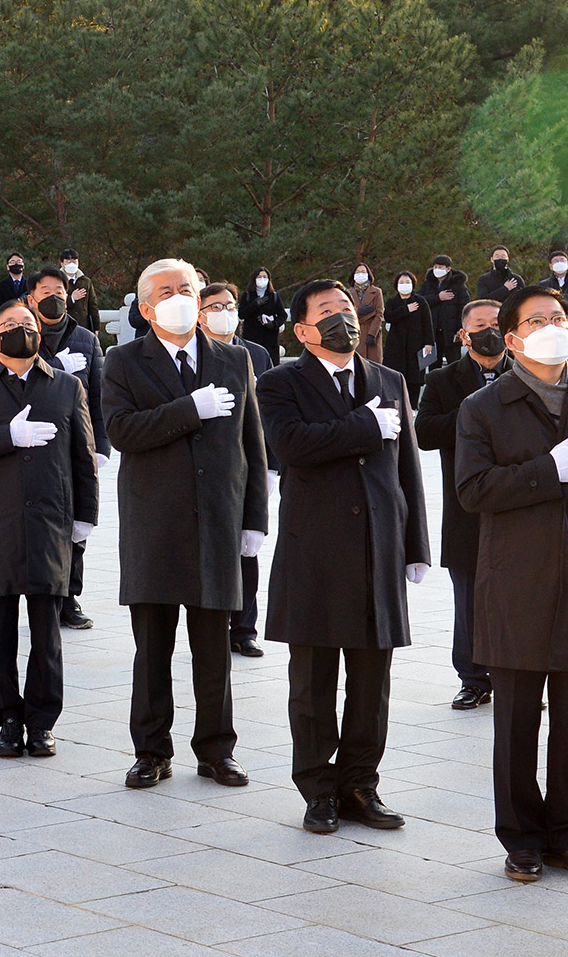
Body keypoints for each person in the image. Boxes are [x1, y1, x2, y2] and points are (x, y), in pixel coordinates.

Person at [454, 284, 568, 884]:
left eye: (559, 317)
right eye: (538, 320)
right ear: (512, 338)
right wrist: (547, 474)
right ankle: (521, 836)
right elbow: (473, 491)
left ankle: (565, 832)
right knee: (517, 718)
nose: (553, 326)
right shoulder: (484, 407)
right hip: (515, 581)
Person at [258, 279, 429, 834]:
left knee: (371, 680)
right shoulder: (280, 383)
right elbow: (291, 447)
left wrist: (416, 544)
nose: (343, 319)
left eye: (347, 309)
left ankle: (361, 783)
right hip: (315, 551)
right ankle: (318, 788)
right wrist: (363, 426)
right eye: (327, 312)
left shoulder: (389, 379)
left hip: (379, 546)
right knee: (312, 681)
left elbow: (408, 468)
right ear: (304, 330)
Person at [105, 257, 266, 790]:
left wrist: (254, 520)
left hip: (218, 520)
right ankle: (150, 750)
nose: (181, 297)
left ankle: (217, 750)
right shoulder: (124, 361)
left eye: (188, 288)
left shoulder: (234, 357)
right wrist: (188, 409)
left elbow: (253, 445)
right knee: (152, 646)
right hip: (155, 523)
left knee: (214, 646)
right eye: (167, 291)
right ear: (146, 307)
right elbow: (122, 431)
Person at [0, 298, 98, 758]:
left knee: (47, 631)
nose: (20, 330)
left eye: (27, 323)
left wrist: (85, 515)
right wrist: (6, 436)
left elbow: (83, 456)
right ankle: (8, 720)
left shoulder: (66, 387)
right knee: (0, 632)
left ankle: (42, 721)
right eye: (9, 324)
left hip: (51, 520)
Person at [414, 297, 509, 711]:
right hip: (465, 502)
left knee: (516, 597)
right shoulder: (442, 380)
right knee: (469, 596)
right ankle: (472, 678)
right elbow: (424, 433)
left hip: (519, 501)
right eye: (480, 323)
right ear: (464, 333)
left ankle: (513, 674)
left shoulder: (530, 374)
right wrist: (475, 411)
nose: (488, 329)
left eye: (496, 322)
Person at [28, 266, 109, 630]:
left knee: (79, 523)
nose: (54, 296)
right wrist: (56, 365)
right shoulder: (23, 334)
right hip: (36, 441)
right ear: (32, 298)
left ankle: (70, 596)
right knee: (41, 523)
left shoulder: (86, 339)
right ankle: (42, 591)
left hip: (78, 443)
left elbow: (99, 394)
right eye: (45, 290)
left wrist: (102, 444)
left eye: (59, 290)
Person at [199, 283, 272, 658]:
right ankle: (214, 623)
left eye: (229, 305)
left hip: (246, 466)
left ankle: (244, 629)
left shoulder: (256, 354)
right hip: (207, 466)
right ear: (200, 313)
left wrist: (270, 467)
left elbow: (268, 416)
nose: (224, 311)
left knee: (247, 551)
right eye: (215, 306)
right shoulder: (195, 355)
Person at [380, 272, 431, 389]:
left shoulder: (420, 301)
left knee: (414, 378)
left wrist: (429, 342)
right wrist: (405, 310)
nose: (404, 285)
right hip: (396, 344)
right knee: (395, 377)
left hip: (416, 343)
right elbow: (388, 316)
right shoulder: (392, 302)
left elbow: (427, 322)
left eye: (407, 282)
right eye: (401, 282)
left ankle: (413, 406)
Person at [420, 255, 467, 365]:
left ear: (448, 269)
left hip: (451, 333)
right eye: (435, 267)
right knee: (433, 365)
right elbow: (419, 301)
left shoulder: (458, 285)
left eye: (440, 267)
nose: (437, 269)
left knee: (454, 364)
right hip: (432, 333)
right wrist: (437, 298)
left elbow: (464, 307)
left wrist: (461, 327)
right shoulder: (428, 284)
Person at [347, 261, 385, 365]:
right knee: (357, 364)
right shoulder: (348, 293)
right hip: (355, 331)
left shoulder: (377, 292)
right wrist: (358, 311)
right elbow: (345, 312)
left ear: (368, 274)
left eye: (363, 271)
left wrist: (372, 334)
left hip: (372, 331)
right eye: (358, 272)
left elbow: (379, 314)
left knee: (374, 364)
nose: (361, 274)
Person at [243, 267, 284, 362]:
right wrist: (255, 304)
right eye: (259, 277)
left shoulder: (274, 296)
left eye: (265, 277)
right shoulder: (247, 296)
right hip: (252, 338)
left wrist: (273, 324)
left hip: (270, 339)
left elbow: (282, 315)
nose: (262, 279)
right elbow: (242, 314)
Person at [58, 249, 101, 333]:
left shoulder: (86, 281)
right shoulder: (57, 281)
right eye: (68, 261)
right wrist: (72, 298)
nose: (72, 264)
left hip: (83, 326)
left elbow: (93, 305)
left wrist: (96, 327)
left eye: (74, 261)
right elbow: (55, 304)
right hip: (64, 327)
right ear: (62, 264)